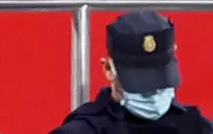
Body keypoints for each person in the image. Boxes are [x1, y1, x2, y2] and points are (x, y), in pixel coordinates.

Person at [50, 10, 213, 133]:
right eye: (142, 83)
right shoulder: (83, 129)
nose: (153, 92)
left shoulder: (197, 127)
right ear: (108, 69)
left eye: (159, 81)